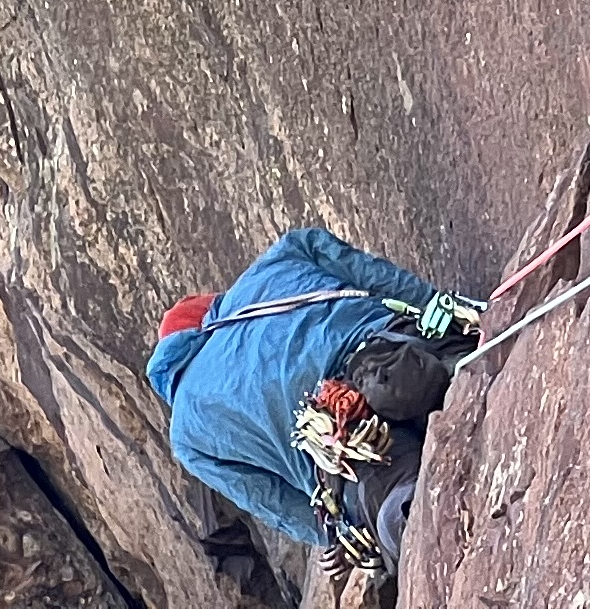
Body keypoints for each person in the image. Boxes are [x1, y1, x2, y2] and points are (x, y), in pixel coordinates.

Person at [145, 226, 484, 597]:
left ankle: (406, 511)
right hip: (391, 350)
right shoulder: (285, 254)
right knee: (448, 362)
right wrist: (449, 313)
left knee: (394, 502)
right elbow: (382, 279)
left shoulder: (188, 433)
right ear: (211, 309)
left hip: (344, 443)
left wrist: (336, 534)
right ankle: (454, 366)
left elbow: (274, 500)